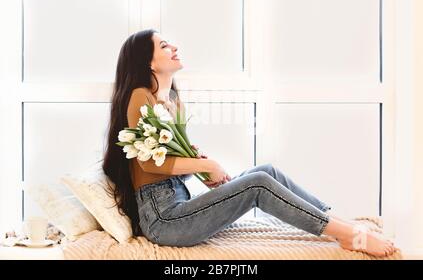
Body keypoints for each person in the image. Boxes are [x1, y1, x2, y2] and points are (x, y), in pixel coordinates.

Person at [102, 29, 398, 257]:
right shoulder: (140, 95)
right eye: (164, 46)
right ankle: (346, 234)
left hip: (182, 205)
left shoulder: (172, 102)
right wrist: (207, 164)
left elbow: (170, 163)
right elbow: (147, 162)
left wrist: (207, 175)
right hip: (165, 220)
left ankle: (337, 223)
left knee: (266, 171)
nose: (174, 47)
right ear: (148, 62)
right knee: (257, 184)